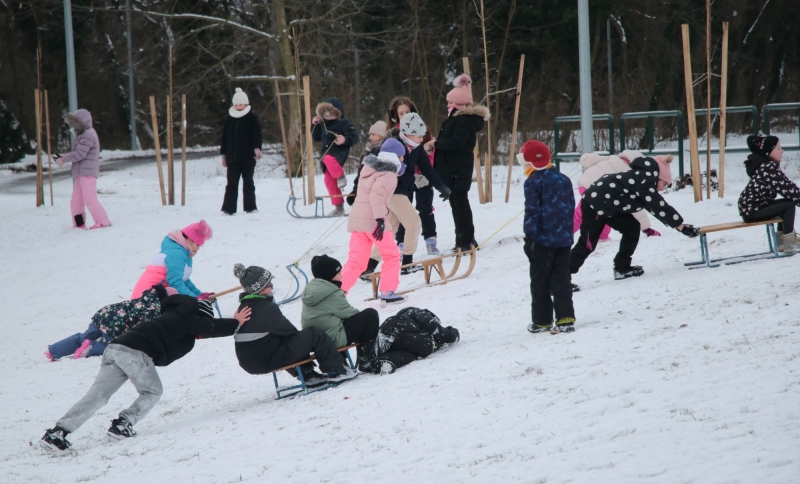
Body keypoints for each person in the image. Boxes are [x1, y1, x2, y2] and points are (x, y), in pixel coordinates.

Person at [40, 296, 252, 452]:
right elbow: (210, 327)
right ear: (200, 317)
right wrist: (236, 322)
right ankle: (123, 425)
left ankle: (58, 432)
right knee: (152, 391)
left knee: (97, 396)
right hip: (134, 353)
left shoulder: (171, 316)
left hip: (114, 349)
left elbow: (196, 332)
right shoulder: (189, 317)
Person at [570, 155, 700, 281]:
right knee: (587, 243)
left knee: (631, 228)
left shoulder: (642, 179)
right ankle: (561, 278)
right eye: (664, 184)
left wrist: (679, 226)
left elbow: (654, 207)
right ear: (658, 177)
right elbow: (660, 207)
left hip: (609, 206)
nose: (662, 189)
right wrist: (681, 227)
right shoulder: (645, 180)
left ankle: (622, 267)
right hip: (596, 204)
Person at [232, 263, 358, 384]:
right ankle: (336, 370)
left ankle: (308, 376)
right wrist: (307, 351)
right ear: (260, 288)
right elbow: (290, 332)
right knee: (315, 334)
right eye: (269, 284)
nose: (272, 287)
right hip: (265, 360)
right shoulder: (266, 308)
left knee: (278, 341)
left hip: (249, 362)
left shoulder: (242, 309)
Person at [369, 115, 451, 274]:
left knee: (389, 230)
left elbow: (427, 169)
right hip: (393, 191)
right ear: (409, 133)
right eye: (420, 136)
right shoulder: (393, 145)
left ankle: (369, 266)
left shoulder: (416, 148)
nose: (422, 139)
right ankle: (407, 263)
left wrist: (442, 187)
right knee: (413, 223)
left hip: (402, 192)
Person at [424, 74, 490, 252]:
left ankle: (466, 241)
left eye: (449, 102)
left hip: (457, 171)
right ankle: (465, 239)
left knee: (460, 205)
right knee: (458, 204)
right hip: (454, 169)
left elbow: (456, 143)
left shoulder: (463, 120)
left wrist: (436, 143)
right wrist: (436, 145)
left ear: (457, 104)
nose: (447, 105)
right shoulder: (458, 119)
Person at [519, 141, 576, 334]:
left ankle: (542, 321)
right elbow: (568, 208)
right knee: (562, 279)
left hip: (542, 241)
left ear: (532, 162)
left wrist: (529, 238)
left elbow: (532, 211)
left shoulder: (533, 182)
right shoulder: (564, 179)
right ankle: (566, 318)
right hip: (564, 239)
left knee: (540, 281)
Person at [45, 285, 178, 361]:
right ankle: (91, 347)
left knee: (83, 336)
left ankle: (54, 351)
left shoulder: (146, 298)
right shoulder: (153, 309)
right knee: (114, 346)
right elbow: (146, 328)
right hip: (115, 324)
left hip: (104, 314)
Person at [340, 149, 405, 304]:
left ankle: (337, 295)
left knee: (356, 262)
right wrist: (380, 219)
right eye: (402, 156)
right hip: (374, 222)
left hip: (358, 220)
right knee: (391, 255)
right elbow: (376, 196)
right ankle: (388, 292)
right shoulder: (388, 175)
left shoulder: (368, 171)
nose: (403, 159)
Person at [385, 96, 445, 256]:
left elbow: (427, 155)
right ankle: (402, 248)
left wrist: (439, 185)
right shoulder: (394, 136)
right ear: (396, 116)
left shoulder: (420, 128)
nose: (404, 115)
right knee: (403, 216)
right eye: (401, 113)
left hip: (422, 177)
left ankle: (430, 242)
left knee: (425, 209)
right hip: (403, 184)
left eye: (407, 111)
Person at [301, 255, 380, 371]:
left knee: (334, 323)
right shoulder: (332, 293)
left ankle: (343, 362)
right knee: (370, 316)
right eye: (338, 274)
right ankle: (366, 359)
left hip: (317, 340)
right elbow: (351, 314)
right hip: (333, 339)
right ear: (329, 276)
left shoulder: (312, 290)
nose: (342, 276)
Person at [576, 150, 662, 242]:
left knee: (599, 212)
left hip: (584, 183)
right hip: (598, 192)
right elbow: (636, 210)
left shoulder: (613, 158)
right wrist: (647, 229)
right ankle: (564, 236)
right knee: (601, 212)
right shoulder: (630, 176)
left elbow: (594, 159)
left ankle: (602, 237)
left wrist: (585, 159)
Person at [739, 134, 800, 252]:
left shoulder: (768, 166)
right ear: (768, 152)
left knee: (787, 203)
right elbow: (787, 189)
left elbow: (788, 185)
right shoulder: (768, 168)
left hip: (752, 208)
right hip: (753, 210)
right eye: (778, 148)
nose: (782, 151)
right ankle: (788, 243)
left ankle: (782, 242)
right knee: (789, 205)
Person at [52, 109, 111, 230]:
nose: (73, 127)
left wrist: (63, 159)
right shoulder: (84, 134)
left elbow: (79, 154)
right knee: (76, 200)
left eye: (75, 123)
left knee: (89, 198)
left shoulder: (88, 135)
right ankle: (79, 223)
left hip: (87, 173)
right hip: (80, 172)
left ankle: (103, 221)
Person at [130, 220, 215, 299]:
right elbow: (175, 283)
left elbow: (183, 280)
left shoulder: (181, 252)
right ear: (190, 240)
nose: (198, 248)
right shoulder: (176, 254)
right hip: (145, 301)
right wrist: (195, 299)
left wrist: (198, 294)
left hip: (157, 296)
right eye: (198, 245)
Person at [366, 307, 459, 375]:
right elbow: (433, 327)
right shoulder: (417, 312)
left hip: (388, 329)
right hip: (397, 327)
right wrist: (452, 334)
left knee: (412, 354)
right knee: (427, 344)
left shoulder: (412, 327)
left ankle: (386, 361)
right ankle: (389, 340)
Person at [311, 98, 359, 216]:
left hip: (339, 151)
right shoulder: (323, 125)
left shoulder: (344, 123)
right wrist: (314, 125)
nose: (327, 116)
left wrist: (345, 139)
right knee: (328, 180)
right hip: (326, 153)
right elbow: (316, 137)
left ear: (337, 113)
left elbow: (354, 137)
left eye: (330, 113)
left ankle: (340, 176)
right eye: (325, 113)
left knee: (327, 157)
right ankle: (339, 207)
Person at [220, 88, 263, 215]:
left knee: (248, 182)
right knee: (231, 183)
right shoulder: (229, 119)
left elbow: (257, 135)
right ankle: (228, 208)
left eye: (241, 104)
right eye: (236, 105)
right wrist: (224, 155)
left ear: (246, 104)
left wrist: (257, 148)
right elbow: (224, 138)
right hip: (232, 158)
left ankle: (250, 207)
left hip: (248, 157)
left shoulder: (252, 118)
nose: (239, 107)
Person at [347, 120, 386, 206]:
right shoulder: (369, 150)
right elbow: (361, 173)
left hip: (374, 192)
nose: (370, 137)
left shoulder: (383, 152)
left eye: (373, 134)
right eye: (370, 134)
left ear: (382, 136)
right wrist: (355, 190)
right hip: (364, 189)